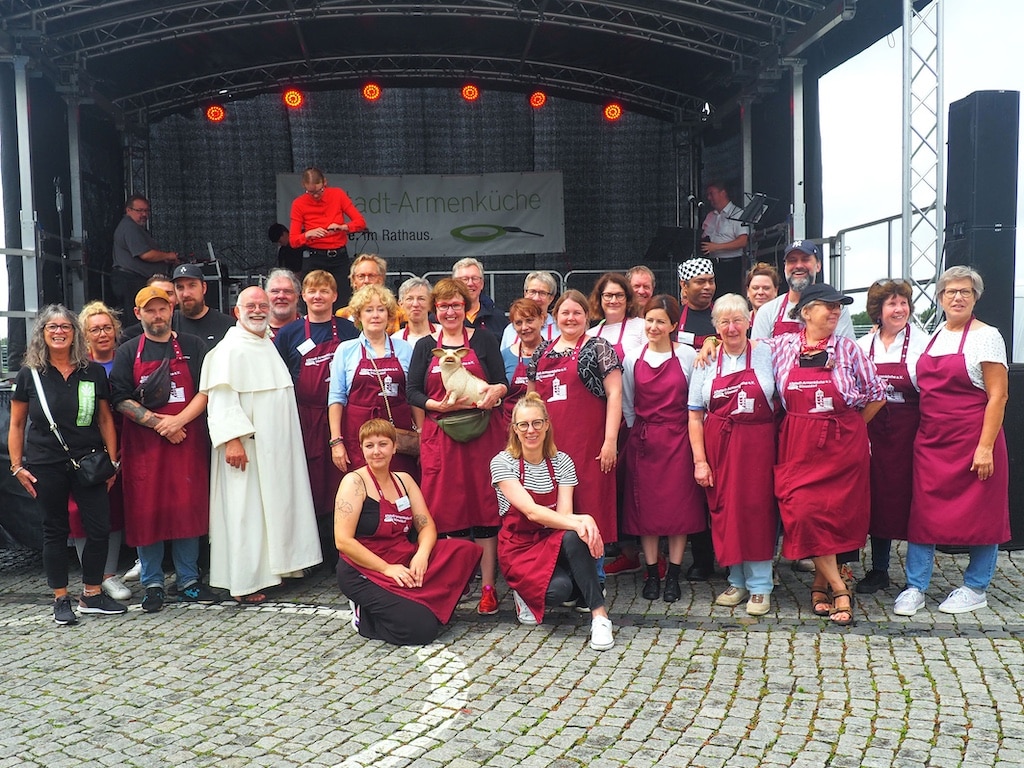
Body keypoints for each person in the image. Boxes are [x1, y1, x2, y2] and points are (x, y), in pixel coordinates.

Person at [894, 266, 1010, 617]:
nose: (957, 297)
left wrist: (986, 446)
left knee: (982, 513)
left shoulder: (987, 337)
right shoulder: (933, 335)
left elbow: (998, 396)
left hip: (974, 439)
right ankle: (915, 586)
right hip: (932, 441)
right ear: (941, 298)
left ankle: (976, 586)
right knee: (922, 515)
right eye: (950, 292)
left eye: (965, 292)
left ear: (975, 298)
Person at [768, 283, 886, 626]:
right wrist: (712, 343)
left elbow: (877, 393)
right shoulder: (781, 346)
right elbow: (738, 346)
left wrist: (851, 427)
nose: (835, 311)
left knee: (835, 516)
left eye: (839, 307)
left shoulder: (848, 350)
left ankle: (821, 585)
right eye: (828, 306)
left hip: (842, 442)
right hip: (798, 440)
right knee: (801, 511)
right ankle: (839, 586)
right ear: (806, 312)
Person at [200, 286, 323, 604]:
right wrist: (232, 441)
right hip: (247, 449)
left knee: (273, 510)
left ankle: (276, 569)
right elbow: (222, 400)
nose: (258, 310)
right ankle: (245, 582)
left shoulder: (265, 343)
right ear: (236, 312)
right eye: (250, 305)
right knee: (246, 514)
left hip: (276, 449)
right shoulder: (230, 349)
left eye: (262, 305)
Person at [8, 305, 126, 624]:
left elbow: (104, 418)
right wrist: (17, 466)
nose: (59, 331)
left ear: (75, 333)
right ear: (42, 334)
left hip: (89, 461)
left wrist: (113, 462)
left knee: (99, 529)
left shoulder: (92, 371)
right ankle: (60, 598)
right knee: (55, 531)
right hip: (46, 463)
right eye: (52, 327)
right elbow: (16, 424)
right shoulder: (29, 374)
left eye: (66, 326)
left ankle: (91, 594)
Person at [109, 286, 219, 612]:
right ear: (138, 313)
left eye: (162, 309)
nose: (158, 315)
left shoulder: (193, 346)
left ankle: (188, 580)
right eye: (150, 310)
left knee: (188, 509)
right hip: (145, 448)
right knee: (147, 512)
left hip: (187, 441)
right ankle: (152, 583)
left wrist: (177, 422)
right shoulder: (128, 351)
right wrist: (160, 424)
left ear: (171, 310)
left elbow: (207, 390)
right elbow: (120, 398)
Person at [407, 278, 508, 615]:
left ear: (466, 308)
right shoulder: (425, 346)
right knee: (447, 512)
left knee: (485, 511)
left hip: (483, 436)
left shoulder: (483, 340)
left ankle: (489, 587)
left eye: (456, 305)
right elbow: (412, 391)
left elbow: (502, 382)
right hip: (442, 437)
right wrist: (437, 407)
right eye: (444, 306)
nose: (450, 311)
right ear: (436, 310)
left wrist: (496, 392)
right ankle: (460, 579)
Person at [335, 419, 481, 646]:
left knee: (464, 551)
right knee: (421, 629)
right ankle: (365, 616)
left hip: (403, 558)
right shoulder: (354, 483)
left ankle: (413, 600)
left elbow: (427, 526)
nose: (376, 452)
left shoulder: (404, 480)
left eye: (383, 444)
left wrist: (421, 555)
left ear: (395, 447)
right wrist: (387, 568)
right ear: (361, 449)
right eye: (369, 446)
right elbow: (343, 541)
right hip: (364, 568)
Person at [491, 394, 614, 651]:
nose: (531, 430)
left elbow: (564, 517)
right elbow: (531, 512)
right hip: (519, 548)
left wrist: (582, 521)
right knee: (558, 592)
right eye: (523, 425)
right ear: (514, 429)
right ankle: (522, 592)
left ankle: (600, 618)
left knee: (573, 534)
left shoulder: (562, 461)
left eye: (537, 423)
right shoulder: (502, 463)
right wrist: (583, 521)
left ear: (547, 424)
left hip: (551, 540)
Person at [687, 294, 778, 615]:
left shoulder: (769, 353)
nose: (732, 327)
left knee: (757, 511)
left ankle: (761, 585)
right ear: (716, 327)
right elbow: (695, 414)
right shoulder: (706, 360)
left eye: (737, 319)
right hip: (718, 446)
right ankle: (737, 579)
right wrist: (700, 461)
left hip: (759, 446)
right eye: (723, 322)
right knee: (724, 510)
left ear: (749, 320)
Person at [528, 289, 622, 594]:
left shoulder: (598, 348)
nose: (571, 318)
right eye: (565, 313)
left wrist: (610, 441)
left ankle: (595, 580)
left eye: (577, 313)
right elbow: (531, 401)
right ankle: (563, 578)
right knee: (554, 509)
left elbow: (615, 395)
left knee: (591, 507)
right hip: (550, 449)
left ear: (587, 316)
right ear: (555, 317)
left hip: (590, 446)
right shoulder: (541, 352)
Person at [275, 271, 359, 569]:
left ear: (335, 296)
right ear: (304, 297)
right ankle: (316, 554)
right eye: (312, 291)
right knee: (311, 484)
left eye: (325, 291)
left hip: (342, 417)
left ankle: (345, 552)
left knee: (344, 480)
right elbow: (279, 377)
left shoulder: (350, 330)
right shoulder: (289, 334)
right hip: (305, 418)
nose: (318, 296)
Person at [620, 294, 701, 602]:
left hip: (679, 439)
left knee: (678, 510)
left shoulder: (688, 356)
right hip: (645, 440)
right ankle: (652, 572)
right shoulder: (632, 357)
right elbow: (628, 403)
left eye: (660, 322)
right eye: (649, 320)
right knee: (646, 512)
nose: (654, 327)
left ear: (672, 325)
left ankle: (674, 575)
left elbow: (696, 401)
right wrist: (639, 432)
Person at [855, 279, 928, 595]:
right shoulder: (862, 347)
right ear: (878, 311)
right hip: (873, 437)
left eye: (903, 303)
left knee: (916, 503)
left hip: (911, 436)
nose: (899, 309)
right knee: (877, 501)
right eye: (891, 304)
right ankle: (879, 569)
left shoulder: (923, 345)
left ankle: (916, 576)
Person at [68, 302, 130, 600]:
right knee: (80, 510)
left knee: (116, 508)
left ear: (116, 330)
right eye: (95, 329)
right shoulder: (78, 367)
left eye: (107, 327)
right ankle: (92, 574)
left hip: (126, 441)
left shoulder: (127, 360)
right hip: (86, 448)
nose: (102, 334)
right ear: (84, 334)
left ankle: (110, 574)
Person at [328, 284, 417, 478]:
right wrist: (336, 442)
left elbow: (413, 396)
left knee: (401, 483)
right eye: (369, 310)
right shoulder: (345, 349)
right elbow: (336, 398)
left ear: (389, 314)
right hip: (358, 435)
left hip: (398, 436)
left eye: (381, 309)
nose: (375, 315)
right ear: (359, 316)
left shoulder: (405, 349)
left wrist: (421, 435)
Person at [673, 257, 718, 581]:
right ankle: (702, 558)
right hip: (686, 414)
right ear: (684, 287)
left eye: (710, 281)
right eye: (699, 282)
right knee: (696, 490)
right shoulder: (676, 319)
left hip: (720, 411)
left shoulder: (725, 315)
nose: (707, 287)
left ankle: (731, 557)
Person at [289, 166, 367, 308]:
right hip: (315, 257)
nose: (316, 196)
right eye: (311, 192)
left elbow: (360, 223)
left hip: (339, 257)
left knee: (343, 301)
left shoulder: (337, 195)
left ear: (325, 182)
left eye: (319, 191)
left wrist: (343, 227)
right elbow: (293, 241)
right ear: (303, 186)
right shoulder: (299, 204)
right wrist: (308, 234)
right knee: (313, 299)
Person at [751, 240, 855, 340]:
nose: (799, 265)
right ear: (785, 267)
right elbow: (758, 356)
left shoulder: (837, 308)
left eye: (805, 259)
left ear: (818, 266)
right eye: (792, 260)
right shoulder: (767, 312)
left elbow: (846, 352)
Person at [111, 194, 179, 310]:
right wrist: (168, 255)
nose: (144, 214)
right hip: (131, 281)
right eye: (140, 211)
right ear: (128, 210)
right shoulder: (129, 227)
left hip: (132, 280)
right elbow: (145, 254)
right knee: (136, 319)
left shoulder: (134, 227)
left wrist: (162, 259)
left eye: (146, 211)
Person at [501, 298, 545, 425]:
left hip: (547, 427)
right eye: (519, 323)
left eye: (530, 321)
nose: (525, 327)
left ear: (541, 319)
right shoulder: (504, 356)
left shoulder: (554, 353)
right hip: (511, 429)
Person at [335, 254, 405, 334]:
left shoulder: (400, 314)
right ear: (354, 281)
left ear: (381, 279)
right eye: (361, 276)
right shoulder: (342, 314)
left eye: (371, 276)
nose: (366, 281)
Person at [700, 180, 748, 294]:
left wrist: (716, 247)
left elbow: (743, 241)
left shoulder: (738, 214)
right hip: (711, 265)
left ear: (723, 193)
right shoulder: (710, 216)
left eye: (712, 193)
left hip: (731, 265)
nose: (709, 198)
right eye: (708, 195)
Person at [171, 263, 236, 346]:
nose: (186, 294)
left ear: (204, 288)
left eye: (192, 286)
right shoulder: (169, 324)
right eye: (180, 287)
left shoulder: (228, 325)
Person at [587, 272, 646, 362]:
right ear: (599, 299)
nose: (614, 301)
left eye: (619, 295)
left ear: (628, 298)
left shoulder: (642, 326)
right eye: (608, 295)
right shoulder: (590, 335)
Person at [499, 271, 558, 349]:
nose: (536, 298)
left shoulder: (559, 329)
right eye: (532, 292)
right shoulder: (510, 330)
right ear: (525, 293)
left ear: (551, 298)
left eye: (542, 293)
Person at [453, 257, 507, 341]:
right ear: (454, 284)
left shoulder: (498, 318)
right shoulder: (443, 318)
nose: (470, 283)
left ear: (482, 284)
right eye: (464, 279)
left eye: (475, 278)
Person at [393, 277, 436, 345]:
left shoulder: (443, 334)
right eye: (410, 299)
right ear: (401, 304)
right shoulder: (395, 340)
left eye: (421, 299)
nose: (415, 304)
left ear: (430, 303)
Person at [266, 268, 302, 338]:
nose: (281, 296)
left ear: (297, 297)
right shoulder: (253, 333)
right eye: (275, 291)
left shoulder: (310, 330)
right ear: (266, 296)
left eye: (287, 291)